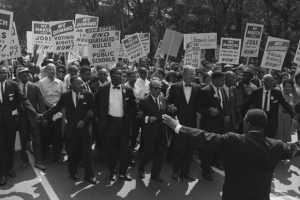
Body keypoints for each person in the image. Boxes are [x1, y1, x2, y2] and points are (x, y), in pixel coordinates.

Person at [162, 109, 300, 200]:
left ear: (247, 124)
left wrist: (178, 127)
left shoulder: (234, 140)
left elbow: (204, 137)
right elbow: (294, 149)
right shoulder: (277, 146)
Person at [41, 76, 96, 184]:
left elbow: (92, 110)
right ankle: (73, 172)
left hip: (85, 130)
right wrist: (43, 116)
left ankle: (89, 175)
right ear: (72, 85)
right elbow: (56, 108)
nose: (82, 85)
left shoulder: (88, 95)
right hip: (71, 130)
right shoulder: (65, 96)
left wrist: (84, 121)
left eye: (82, 83)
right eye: (78, 83)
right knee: (72, 153)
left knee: (87, 153)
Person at [95, 67, 137, 181]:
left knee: (124, 150)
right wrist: (99, 118)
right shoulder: (103, 89)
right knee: (110, 150)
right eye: (118, 75)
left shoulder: (128, 90)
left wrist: (130, 115)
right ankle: (112, 171)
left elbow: (134, 106)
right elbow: (96, 105)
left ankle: (123, 172)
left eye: (121, 76)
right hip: (109, 124)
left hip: (123, 124)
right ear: (112, 76)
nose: (120, 78)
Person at [0, 66, 38, 186]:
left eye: (5, 73)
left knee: (11, 146)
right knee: (2, 147)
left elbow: (24, 100)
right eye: (1, 72)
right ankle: (2, 173)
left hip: (11, 122)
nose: (3, 75)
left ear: (8, 74)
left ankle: (9, 168)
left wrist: (35, 113)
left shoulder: (13, 85)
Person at [167, 65, 201, 181]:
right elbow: (169, 102)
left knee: (189, 149)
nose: (192, 76)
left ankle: (185, 172)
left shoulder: (197, 88)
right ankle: (176, 171)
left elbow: (199, 105)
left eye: (194, 74)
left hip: (191, 123)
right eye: (190, 73)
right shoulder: (175, 87)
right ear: (184, 74)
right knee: (179, 148)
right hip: (178, 123)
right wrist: (170, 108)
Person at [138, 79, 167, 182]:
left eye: (160, 88)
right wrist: (147, 119)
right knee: (148, 153)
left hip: (162, 131)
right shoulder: (144, 101)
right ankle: (141, 168)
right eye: (156, 88)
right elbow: (139, 116)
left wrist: (171, 110)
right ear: (150, 88)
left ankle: (155, 174)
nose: (158, 90)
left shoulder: (163, 99)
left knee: (160, 154)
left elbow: (164, 113)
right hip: (150, 132)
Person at [17, 67, 46, 171]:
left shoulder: (35, 87)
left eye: (27, 75)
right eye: (23, 76)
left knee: (37, 140)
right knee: (23, 140)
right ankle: (25, 160)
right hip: (21, 118)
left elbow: (41, 103)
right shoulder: (15, 87)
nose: (26, 77)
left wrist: (42, 116)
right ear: (18, 77)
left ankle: (39, 161)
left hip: (34, 118)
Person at [198, 71, 226, 180]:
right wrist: (209, 111)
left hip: (220, 125)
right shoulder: (205, 91)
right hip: (209, 125)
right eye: (222, 80)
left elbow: (223, 106)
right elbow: (199, 107)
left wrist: (226, 115)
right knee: (207, 149)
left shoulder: (222, 90)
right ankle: (206, 170)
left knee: (217, 146)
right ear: (215, 80)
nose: (223, 82)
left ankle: (215, 163)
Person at [38, 63, 65, 162]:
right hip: (46, 110)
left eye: (53, 69)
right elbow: (40, 98)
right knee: (45, 132)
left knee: (56, 134)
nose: (52, 71)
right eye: (50, 69)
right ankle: (44, 152)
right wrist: (49, 107)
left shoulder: (60, 83)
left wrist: (56, 106)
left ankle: (56, 155)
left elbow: (63, 96)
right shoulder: (41, 83)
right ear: (45, 71)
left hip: (58, 110)